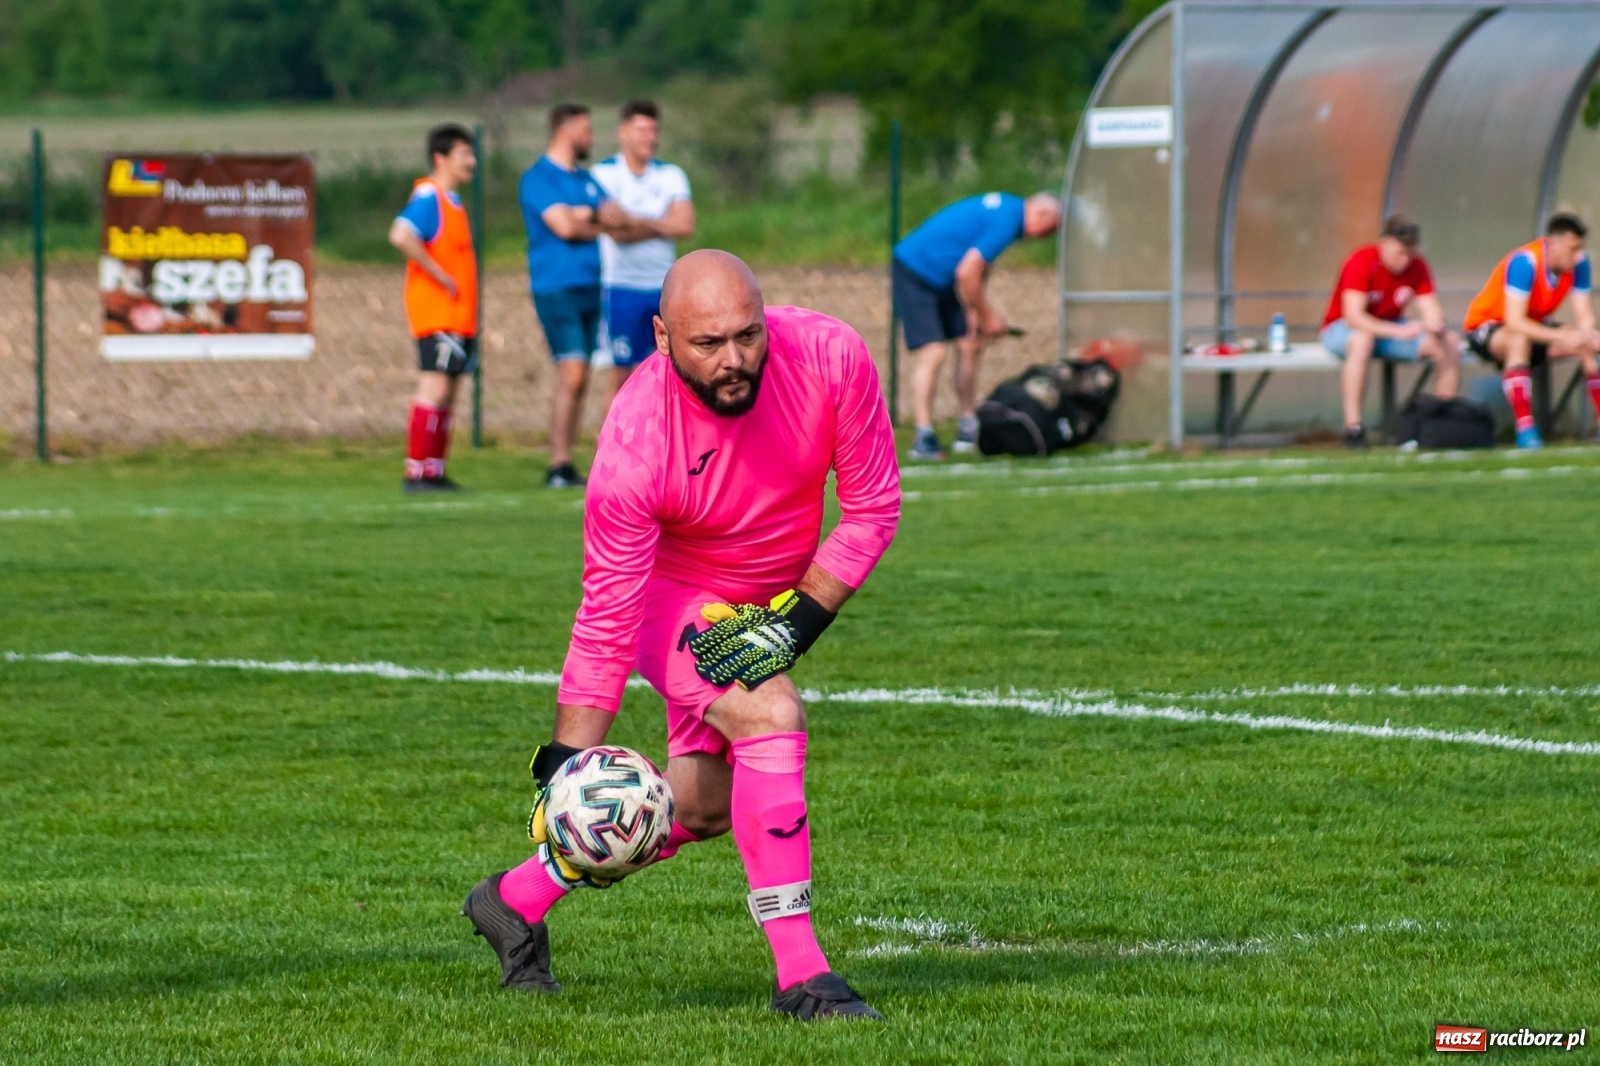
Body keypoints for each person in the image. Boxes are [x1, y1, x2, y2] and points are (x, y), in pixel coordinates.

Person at [461, 250, 900, 1021]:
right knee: (772, 714)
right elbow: (605, 619)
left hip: (774, 604)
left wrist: (792, 625)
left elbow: (873, 509)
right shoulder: (634, 445)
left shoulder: (833, 355)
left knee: (696, 807)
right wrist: (564, 766)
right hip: (676, 603)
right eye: (708, 344)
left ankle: (514, 898)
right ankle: (803, 976)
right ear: (662, 337)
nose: (734, 361)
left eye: (747, 336)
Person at [894, 191, 1061, 460]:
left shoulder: (1010, 212)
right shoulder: (1008, 219)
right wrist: (988, 317)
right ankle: (923, 436)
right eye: (1049, 230)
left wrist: (974, 312)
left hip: (948, 278)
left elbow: (980, 266)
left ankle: (967, 426)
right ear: (1041, 215)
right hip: (917, 271)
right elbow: (967, 271)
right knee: (933, 351)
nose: (1043, 237)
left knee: (971, 342)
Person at [520, 103, 626, 487]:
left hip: (591, 284)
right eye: (586, 129)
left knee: (581, 376)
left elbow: (618, 216)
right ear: (566, 131)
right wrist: (592, 218)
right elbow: (563, 226)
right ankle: (558, 463)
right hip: (556, 286)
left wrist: (584, 216)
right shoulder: (537, 178)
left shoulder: (586, 179)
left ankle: (567, 463)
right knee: (573, 371)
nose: (591, 138)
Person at [1319, 216, 1461, 448]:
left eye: (1409, 253)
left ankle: (1442, 423)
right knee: (1362, 340)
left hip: (1390, 329)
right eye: (1399, 253)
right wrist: (1397, 331)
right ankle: (1353, 428)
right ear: (1383, 243)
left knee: (1449, 341)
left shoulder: (1417, 265)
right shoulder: (1361, 260)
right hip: (1343, 329)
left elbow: (1430, 306)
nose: (1404, 260)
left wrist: (1435, 323)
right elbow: (1353, 317)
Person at [389, 124, 479, 492]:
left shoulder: (453, 202)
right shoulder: (430, 198)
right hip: (437, 312)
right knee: (434, 385)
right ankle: (416, 471)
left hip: (459, 315)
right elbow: (400, 234)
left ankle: (434, 470)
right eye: (464, 155)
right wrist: (438, 274)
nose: (472, 162)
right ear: (440, 159)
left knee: (450, 389)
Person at [591, 99, 696, 409]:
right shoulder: (604, 174)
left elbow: (685, 224)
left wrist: (634, 219)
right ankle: (613, 447)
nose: (650, 137)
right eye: (642, 130)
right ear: (623, 133)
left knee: (671, 369)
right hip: (621, 287)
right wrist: (661, 222)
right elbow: (615, 232)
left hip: (664, 286)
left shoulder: (671, 175)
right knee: (623, 373)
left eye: (654, 130)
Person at [1464, 213, 1600, 449]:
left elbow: (1584, 312)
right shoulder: (1525, 262)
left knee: (1589, 344)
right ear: (1553, 243)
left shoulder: (1579, 263)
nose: (1576, 255)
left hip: (1532, 328)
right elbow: (1514, 321)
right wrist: (1562, 335)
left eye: (1579, 248)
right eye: (1572, 248)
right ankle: (1526, 430)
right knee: (1518, 341)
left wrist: (1586, 334)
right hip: (1488, 328)